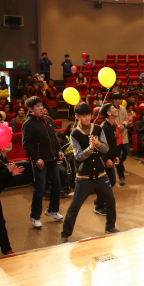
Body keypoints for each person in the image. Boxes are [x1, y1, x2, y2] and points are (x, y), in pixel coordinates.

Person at [60, 102, 119, 243]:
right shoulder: (74, 134)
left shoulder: (98, 129)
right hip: (84, 177)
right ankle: (65, 234)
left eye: (88, 115)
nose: (87, 118)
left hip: (100, 174)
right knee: (74, 206)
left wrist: (97, 144)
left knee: (111, 201)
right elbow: (78, 156)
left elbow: (106, 149)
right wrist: (90, 148)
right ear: (77, 117)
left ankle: (110, 227)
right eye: (83, 116)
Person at [22, 96, 64, 228]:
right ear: (30, 109)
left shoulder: (49, 120)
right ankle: (35, 216)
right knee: (39, 189)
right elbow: (26, 144)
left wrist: (58, 150)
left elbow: (54, 138)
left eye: (41, 105)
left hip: (52, 159)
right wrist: (36, 158)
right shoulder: (28, 124)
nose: (41, 108)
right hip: (40, 161)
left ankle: (52, 210)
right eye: (37, 106)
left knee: (57, 185)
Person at [94, 103, 120, 216]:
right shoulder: (104, 127)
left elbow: (112, 144)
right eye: (113, 108)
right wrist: (106, 159)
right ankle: (99, 206)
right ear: (108, 113)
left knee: (111, 182)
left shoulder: (112, 125)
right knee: (106, 183)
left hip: (110, 158)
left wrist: (115, 156)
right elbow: (99, 146)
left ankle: (98, 202)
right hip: (103, 160)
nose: (116, 109)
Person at [111, 93, 130, 186]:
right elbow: (109, 120)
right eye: (119, 99)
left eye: (121, 99)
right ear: (114, 100)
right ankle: (121, 172)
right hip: (116, 134)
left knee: (126, 150)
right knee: (117, 154)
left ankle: (120, 162)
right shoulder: (110, 109)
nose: (121, 100)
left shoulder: (123, 109)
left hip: (123, 133)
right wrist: (116, 126)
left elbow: (127, 119)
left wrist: (124, 124)